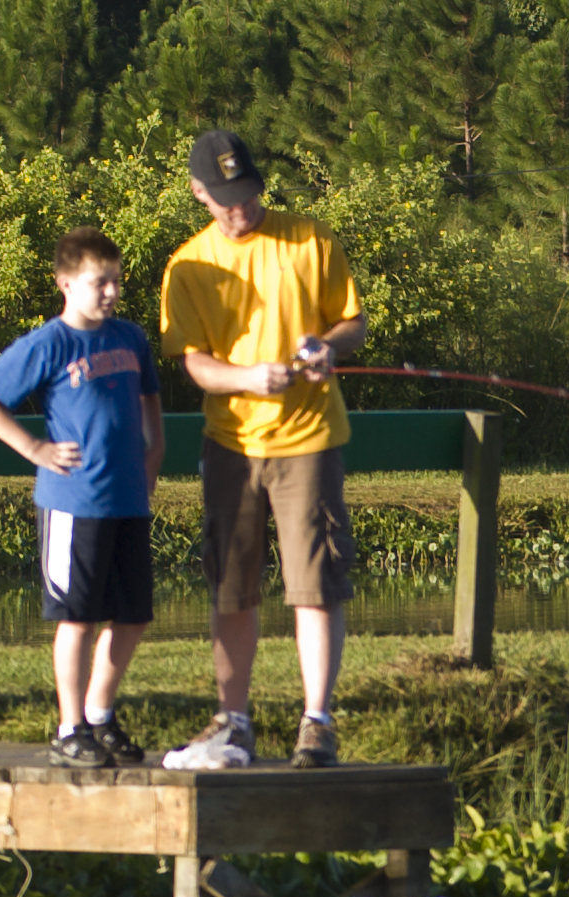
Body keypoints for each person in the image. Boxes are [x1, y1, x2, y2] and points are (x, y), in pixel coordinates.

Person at [155, 129, 368, 772]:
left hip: (309, 439)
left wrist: (329, 347)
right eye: (225, 198)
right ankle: (234, 720)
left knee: (315, 583)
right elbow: (193, 363)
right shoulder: (187, 265)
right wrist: (248, 378)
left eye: (247, 192)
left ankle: (317, 723)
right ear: (199, 194)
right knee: (229, 584)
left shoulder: (310, 239)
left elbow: (352, 322)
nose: (239, 207)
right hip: (231, 444)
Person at [0, 226, 165, 768]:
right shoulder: (49, 343)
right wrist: (34, 447)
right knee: (77, 616)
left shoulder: (130, 338)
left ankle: (100, 715)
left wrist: (155, 450)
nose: (111, 293)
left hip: (128, 498)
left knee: (134, 615)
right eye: (99, 283)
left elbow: (150, 400)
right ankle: (69, 727)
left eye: (116, 282)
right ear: (66, 283)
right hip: (74, 502)